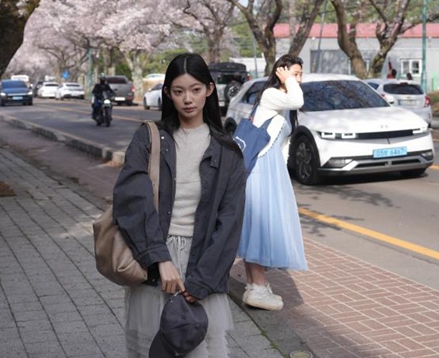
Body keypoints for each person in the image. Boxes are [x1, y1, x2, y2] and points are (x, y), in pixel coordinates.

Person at [112, 53, 247, 357]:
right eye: (178, 91)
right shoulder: (149, 139)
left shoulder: (228, 152)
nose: (188, 99)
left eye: (195, 89)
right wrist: (160, 259)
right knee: (153, 348)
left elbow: (230, 222)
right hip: (155, 258)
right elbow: (131, 201)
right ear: (168, 93)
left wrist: (201, 282)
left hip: (203, 261)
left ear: (209, 90)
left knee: (201, 350)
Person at [237, 54, 307, 311]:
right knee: (258, 226)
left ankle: (257, 286)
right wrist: (288, 79)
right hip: (259, 168)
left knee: (257, 226)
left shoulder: (281, 100)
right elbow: (298, 99)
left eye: (300, 75)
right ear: (281, 72)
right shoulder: (271, 95)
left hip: (270, 168)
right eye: (294, 73)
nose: (298, 79)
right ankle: (257, 287)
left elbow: (283, 143)